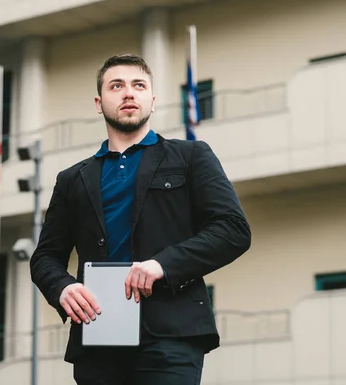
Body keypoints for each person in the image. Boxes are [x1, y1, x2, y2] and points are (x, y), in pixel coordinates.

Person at [29, 53, 251, 384]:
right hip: (97, 334)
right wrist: (63, 288)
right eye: (116, 86)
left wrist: (162, 265)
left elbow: (232, 230)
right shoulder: (72, 179)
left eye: (138, 85)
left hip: (171, 333)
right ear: (99, 102)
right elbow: (45, 257)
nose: (128, 93)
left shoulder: (191, 156)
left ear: (152, 99)